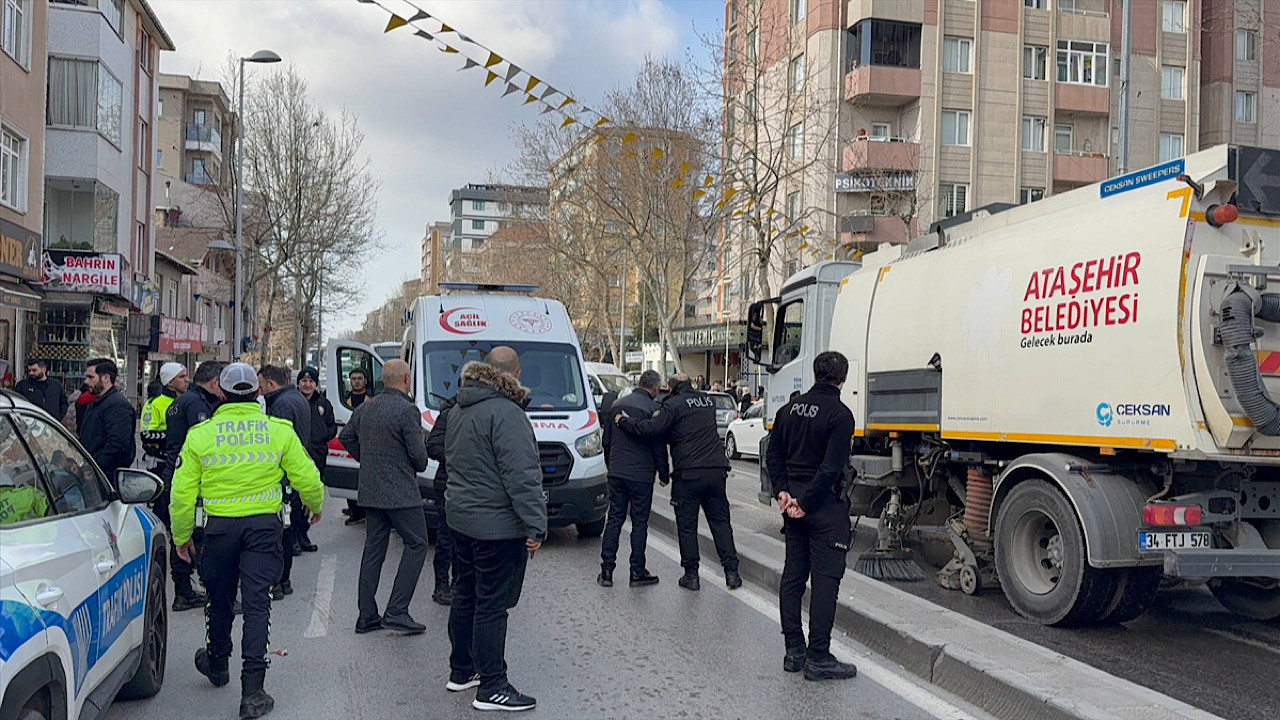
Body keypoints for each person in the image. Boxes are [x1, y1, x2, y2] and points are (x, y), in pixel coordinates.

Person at [171, 363, 323, 720]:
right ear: (257, 392)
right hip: (264, 529)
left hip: (219, 530)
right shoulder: (278, 431)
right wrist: (314, 506)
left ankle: (218, 661)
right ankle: (252, 692)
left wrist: (181, 537)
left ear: (221, 394)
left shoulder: (201, 435)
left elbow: (181, 494)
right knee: (257, 604)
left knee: (219, 597)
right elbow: (308, 475)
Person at [445, 348, 546, 712]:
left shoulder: (459, 408)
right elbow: (522, 476)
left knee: (465, 594)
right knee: (492, 605)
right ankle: (492, 685)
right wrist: (535, 523)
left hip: (462, 519)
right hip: (497, 527)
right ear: (516, 373)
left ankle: (462, 670)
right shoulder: (508, 413)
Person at [766, 351, 859, 682]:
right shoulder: (841, 416)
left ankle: (794, 651)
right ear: (843, 379)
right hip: (823, 509)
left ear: (815, 373)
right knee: (825, 583)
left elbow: (772, 454)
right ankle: (818, 656)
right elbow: (832, 468)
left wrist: (783, 493)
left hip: (793, 507)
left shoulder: (787, 410)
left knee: (793, 576)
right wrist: (805, 501)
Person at [616, 373, 741, 592]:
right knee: (721, 524)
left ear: (671, 388)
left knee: (687, 526)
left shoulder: (673, 405)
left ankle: (691, 575)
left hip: (689, 473)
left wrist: (625, 422)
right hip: (716, 470)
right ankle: (732, 573)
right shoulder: (706, 402)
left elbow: (652, 430)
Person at [339, 359, 430, 636]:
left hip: (371, 490)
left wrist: (367, 460)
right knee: (417, 544)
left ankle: (366, 615)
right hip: (401, 493)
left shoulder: (366, 408)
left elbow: (346, 437)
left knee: (373, 549)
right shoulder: (407, 411)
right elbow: (420, 459)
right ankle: (397, 611)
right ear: (406, 379)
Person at [161, 360, 224, 612]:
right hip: (191, 475)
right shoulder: (198, 404)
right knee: (198, 537)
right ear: (215, 382)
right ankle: (211, 593)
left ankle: (183, 591)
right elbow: (203, 441)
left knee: (181, 532)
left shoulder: (179, 402)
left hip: (174, 472)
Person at [598, 370, 667, 588]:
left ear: (638, 382)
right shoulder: (654, 409)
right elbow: (659, 447)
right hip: (641, 475)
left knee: (615, 519)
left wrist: (612, 464)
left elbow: (606, 441)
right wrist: (663, 474)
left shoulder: (617, 405)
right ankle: (637, 571)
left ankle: (607, 571)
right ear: (655, 389)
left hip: (618, 471)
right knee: (639, 523)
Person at [259, 365, 313, 600]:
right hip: (293, 474)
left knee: (277, 532)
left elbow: (277, 444)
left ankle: (278, 581)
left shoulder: (280, 406)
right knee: (287, 529)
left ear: (271, 384)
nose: (259, 393)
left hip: (281, 477)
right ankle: (285, 579)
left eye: (261, 387)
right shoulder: (297, 399)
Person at [296, 366, 334, 553]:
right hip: (296, 457)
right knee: (295, 498)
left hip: (318, 456)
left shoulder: (323, 404)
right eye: (304, 381)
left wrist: (323, 434)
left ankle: (303, 534)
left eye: (311, 381)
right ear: (298, 383)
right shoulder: (292, 402)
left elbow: (332, 426)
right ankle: (293, 537)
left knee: (309, 499)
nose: (307, 385)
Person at [425, 394, 459, 606]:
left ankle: (459, 582)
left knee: (463, 538)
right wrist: (457, 457)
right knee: (446, 537)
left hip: (469, 484)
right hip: (447, 481)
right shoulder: (448, 414)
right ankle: (441, 585)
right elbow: (433, 446)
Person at [79, 358, 136, 479]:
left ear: (105, 378)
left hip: (106, 476)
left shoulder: (117, 405)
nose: (86, 382)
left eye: (91, 377)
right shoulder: (98, 403)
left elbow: (118, 445)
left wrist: (96, 466)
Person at [140, 362, 188, 465]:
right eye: (182, 377)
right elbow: (146, 435)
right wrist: (175, 435)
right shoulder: (154, 404)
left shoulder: (188, 401)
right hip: (161, 462)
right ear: (170, 382)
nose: (187, 380)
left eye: (186, 376)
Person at [15, 358, 68, 423]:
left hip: (51, 424)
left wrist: (58, 418)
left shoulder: (55, 385)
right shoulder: (23, 386)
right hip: (31, 424)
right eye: (29, 371)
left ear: (43, 370)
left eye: (34, 370)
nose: (31, 373)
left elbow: (64, 403)